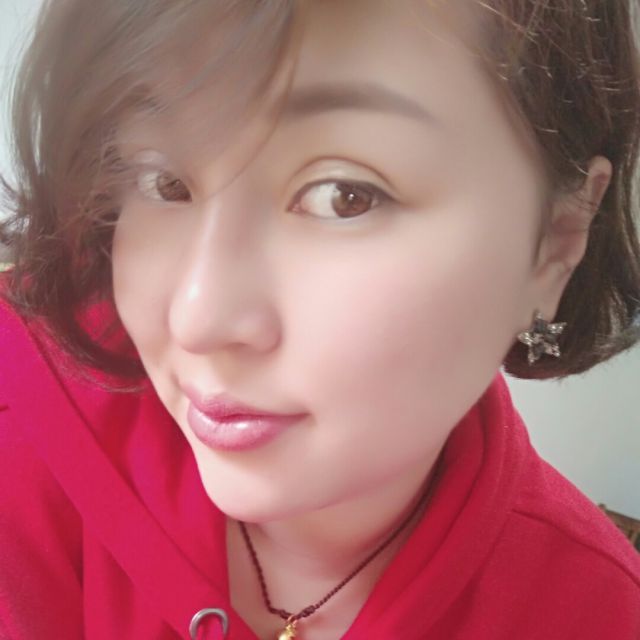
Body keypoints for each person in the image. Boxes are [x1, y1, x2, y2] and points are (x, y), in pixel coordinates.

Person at [1, 0, 639, 638]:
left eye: (344, 196)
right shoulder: (21, 433)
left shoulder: (595, 613)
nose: (197, 319)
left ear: (557, 239)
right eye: (163, 182)